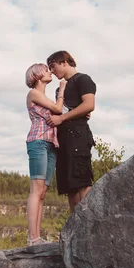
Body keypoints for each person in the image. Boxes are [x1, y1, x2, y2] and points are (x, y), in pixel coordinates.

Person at [45, 51, 96, 212]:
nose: (52, 71)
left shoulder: (83, 79)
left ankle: (89, 225)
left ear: (64, 62)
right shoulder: (59, 89)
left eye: (53, 66)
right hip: (63, 139)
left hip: (78, 136)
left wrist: (64, 117)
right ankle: (75, 230)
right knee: (69, 186)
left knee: (82, 182)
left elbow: (89, 105)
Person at [25, 63, 67, 246]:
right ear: (36, 75)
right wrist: (62, 90)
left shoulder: (45, 97)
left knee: (42, 192)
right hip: (38, 142)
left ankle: (37, 236)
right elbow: (58, 109)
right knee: (36, 189)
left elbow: (61, 113)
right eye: (46, 69)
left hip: (51, 144)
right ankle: (32, 237)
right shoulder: (34, 93)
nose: (50, 72)